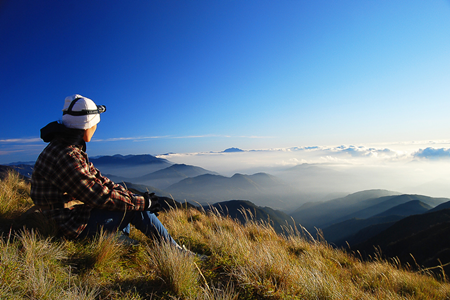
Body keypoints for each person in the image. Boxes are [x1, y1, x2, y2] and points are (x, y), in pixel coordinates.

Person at [30, 94, 182, 248]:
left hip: (64, 216)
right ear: (87, 126)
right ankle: (177, 253)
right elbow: (98, 196)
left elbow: (99, 180)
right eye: (95, 124)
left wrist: (135, 197)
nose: (96, 128)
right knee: (134, 209)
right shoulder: (68, 156)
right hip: (68, 225)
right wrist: (144, 203)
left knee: (129, 200)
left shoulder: (65, 146)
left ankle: (118, 238)